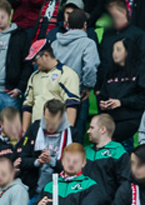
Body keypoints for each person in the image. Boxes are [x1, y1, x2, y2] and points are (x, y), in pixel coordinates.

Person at [34, 143, 106, 205]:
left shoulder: (89, 185)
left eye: (75, 161)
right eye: (68, 160)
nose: (71, 164)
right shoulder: (50, 185)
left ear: (83, 163)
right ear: (62, 161)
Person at [52, 8, 98, 138]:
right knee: (75, 135)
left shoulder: (55, 43)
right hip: (78, 95)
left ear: (67, 25)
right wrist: (87, 87)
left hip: (55, 95)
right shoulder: (88, 44)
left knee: (55, 136)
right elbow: (90, 67)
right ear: (85, 25)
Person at [97, 38, 145, 145]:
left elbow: (144, 98)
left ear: (127, 52)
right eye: (113, 50)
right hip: (110, 119)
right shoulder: (110, 72)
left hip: (130, 119)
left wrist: (121, 102)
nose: (114, 54)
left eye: (118, 50)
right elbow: (102, 94)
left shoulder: (140, 70)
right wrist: (102, 103)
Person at [85, 113, 129, 205]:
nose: (88, 131)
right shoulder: (85, 151)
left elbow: (125, 187)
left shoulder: (118, 152)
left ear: (103, 129)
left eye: (92, 127)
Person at [22, 40, 79, 131]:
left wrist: (68, 131)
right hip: (36, 129)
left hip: (57, 129)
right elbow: (27, 106)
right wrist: (25, 133)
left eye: (35, 59)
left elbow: (71, 105)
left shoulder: (67, 74)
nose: (33, 63)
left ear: (46, 56)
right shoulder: (34, 76)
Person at [20, 99, 73, 198]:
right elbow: (22, 159)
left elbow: (73, 168)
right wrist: (38, 162)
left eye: (53, 122)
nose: (49, 126)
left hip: (60, 193)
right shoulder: (34, 129)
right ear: (43, 114)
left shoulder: (72, 134)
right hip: (34, 190)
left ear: (62, 118)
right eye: (47, 121)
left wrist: (51, 162)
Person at [98, 0, 145, 74]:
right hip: (109, 81)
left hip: (131, 81)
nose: (113, 20)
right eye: (110, 17)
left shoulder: (139, 35)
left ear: (124, 12)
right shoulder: (107, 36)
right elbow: (103, 63)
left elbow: (143, 64)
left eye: (115, 16)